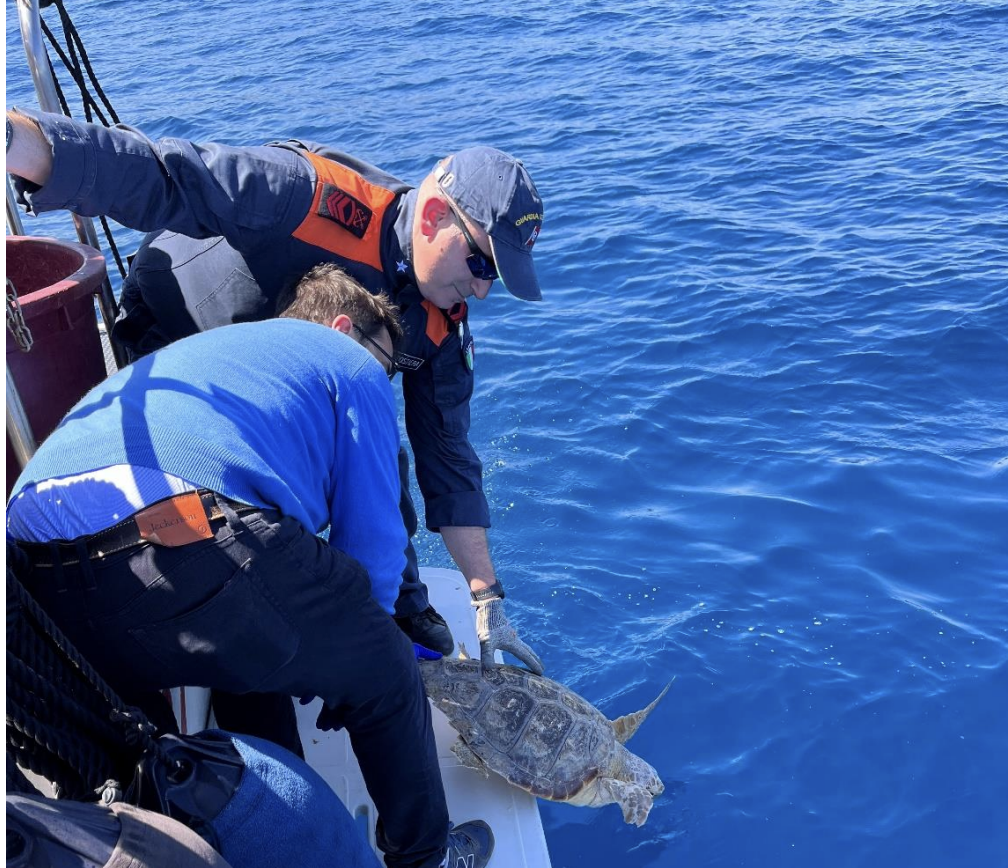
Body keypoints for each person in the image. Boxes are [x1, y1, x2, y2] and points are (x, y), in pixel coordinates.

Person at [6, 108, 547, 663]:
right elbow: (168, 177)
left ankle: (400, 604)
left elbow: (448, 456)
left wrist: (487, 600)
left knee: (377, 448)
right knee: (254, 534)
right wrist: (30, 147)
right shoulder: (308, 196)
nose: (482, 290)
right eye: (481, 261)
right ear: (433, 216)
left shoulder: (444, 314)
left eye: (495, 277)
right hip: (177, 335)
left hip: (290, 377)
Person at [5, 265, 500, 868]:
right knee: (385, 668)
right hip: (181, 525)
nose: (386, 382)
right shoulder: (347, 364)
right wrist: (355, 662)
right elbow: (374, 549)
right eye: (389, 366)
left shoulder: (217, 360)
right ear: (344, 328)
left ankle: (266, 829)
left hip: (32, 585)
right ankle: (429, 857)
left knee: (247, 652)